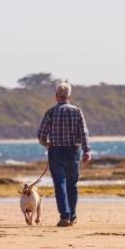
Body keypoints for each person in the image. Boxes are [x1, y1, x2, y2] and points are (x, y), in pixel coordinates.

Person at [36, 81, 92, 227]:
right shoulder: (77, 111)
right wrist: (87, 150)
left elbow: (41, 135)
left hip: (56, 151)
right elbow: (84, 132)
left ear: (56, 96)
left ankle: (65, 216)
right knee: (72, 184)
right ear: (69, 95)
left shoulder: (50, 112)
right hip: (73, 151)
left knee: (60, 184)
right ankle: (72, 215)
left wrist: (47, 144)